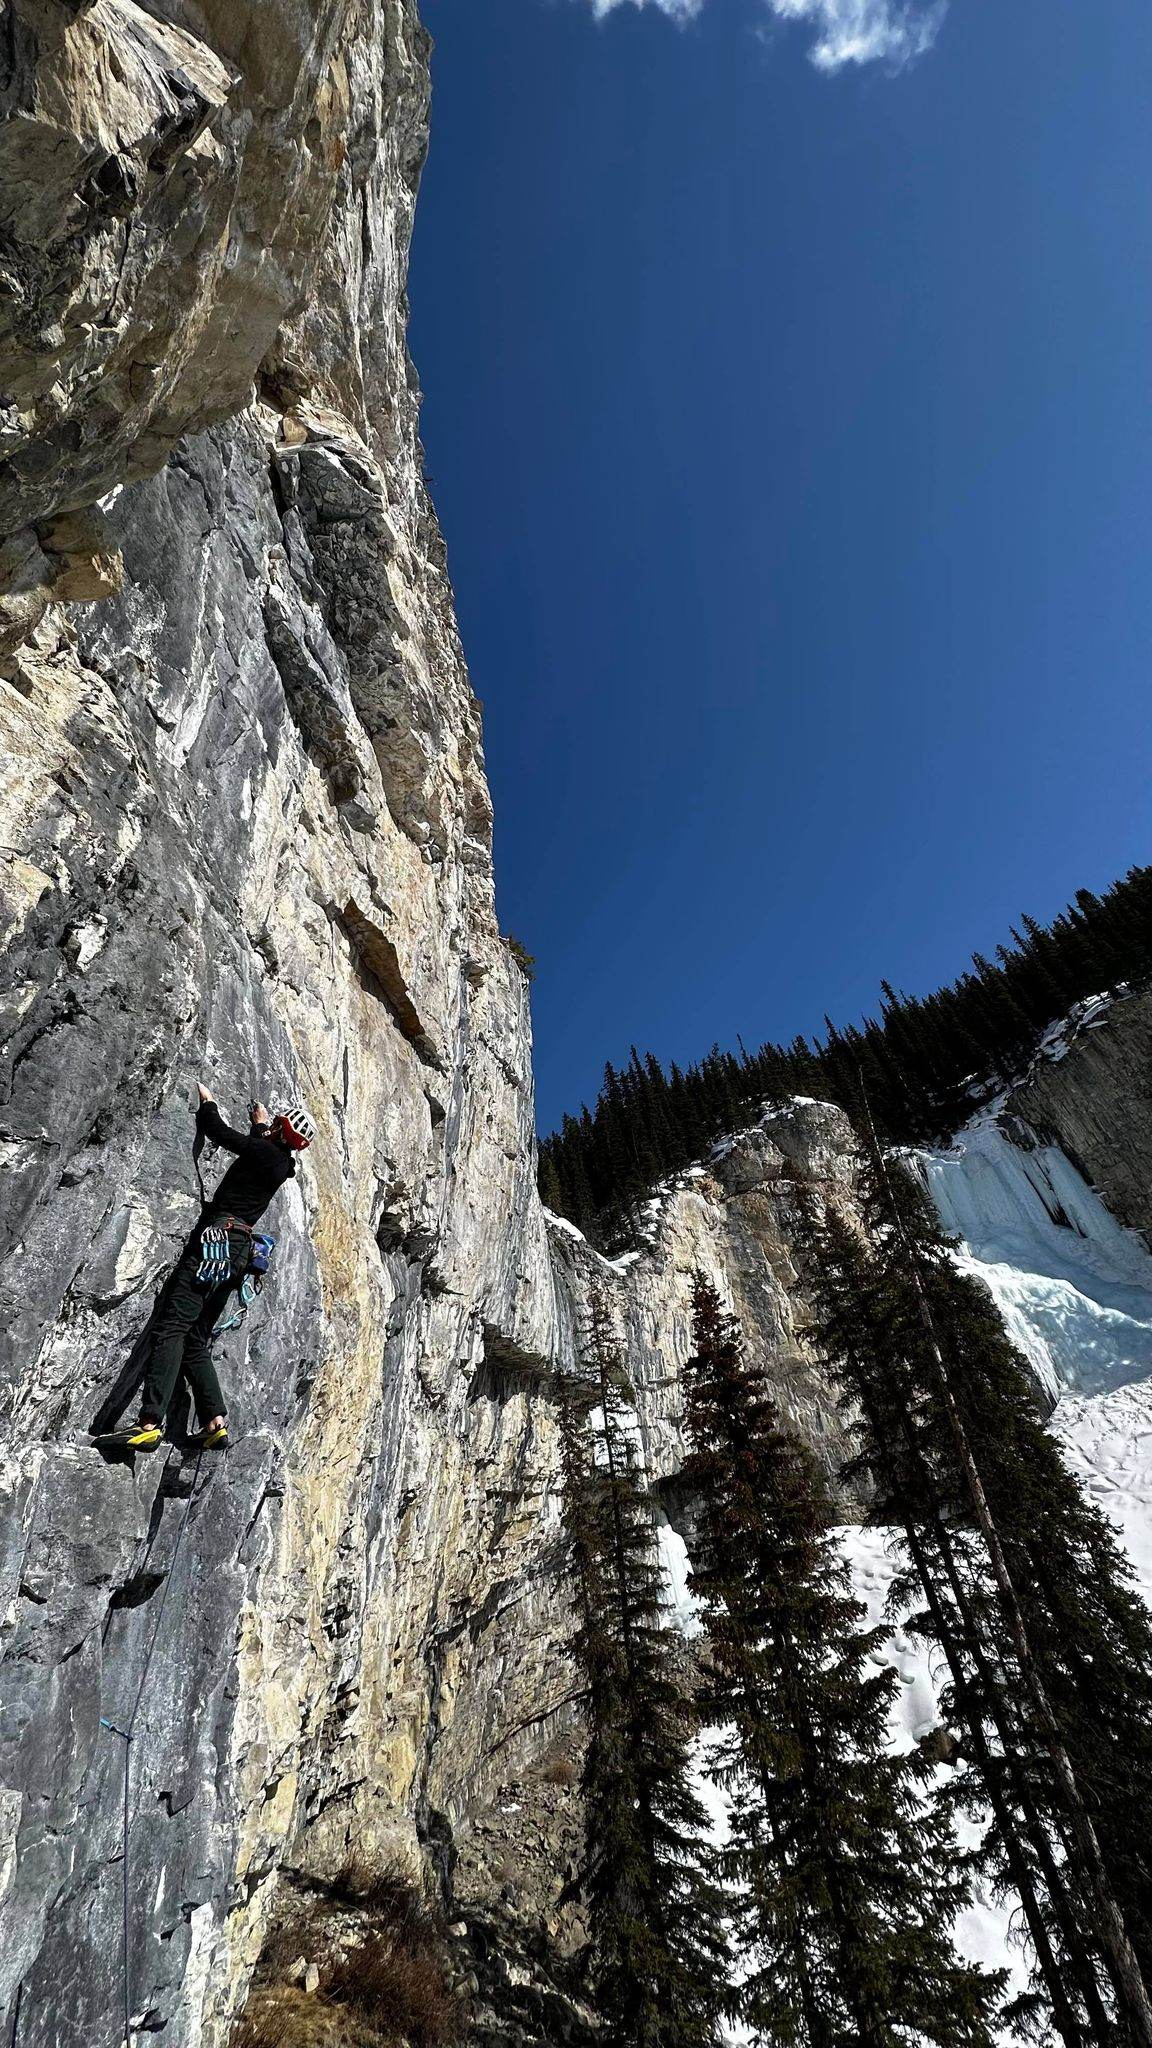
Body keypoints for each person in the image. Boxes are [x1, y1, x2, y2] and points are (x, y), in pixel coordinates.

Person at [95, 1084, 314, 1453]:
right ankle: (214, 1421)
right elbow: (262, 1147)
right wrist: (261, 1126)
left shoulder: (264, 1151)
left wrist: (209, 1102)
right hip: (239, 1252)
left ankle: (150, 1422)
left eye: (275, 1126)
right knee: (196, 1339)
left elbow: (219, 1133)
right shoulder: (281, 1163)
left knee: (173, 1328)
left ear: (279, 1131)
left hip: (214, 1244)